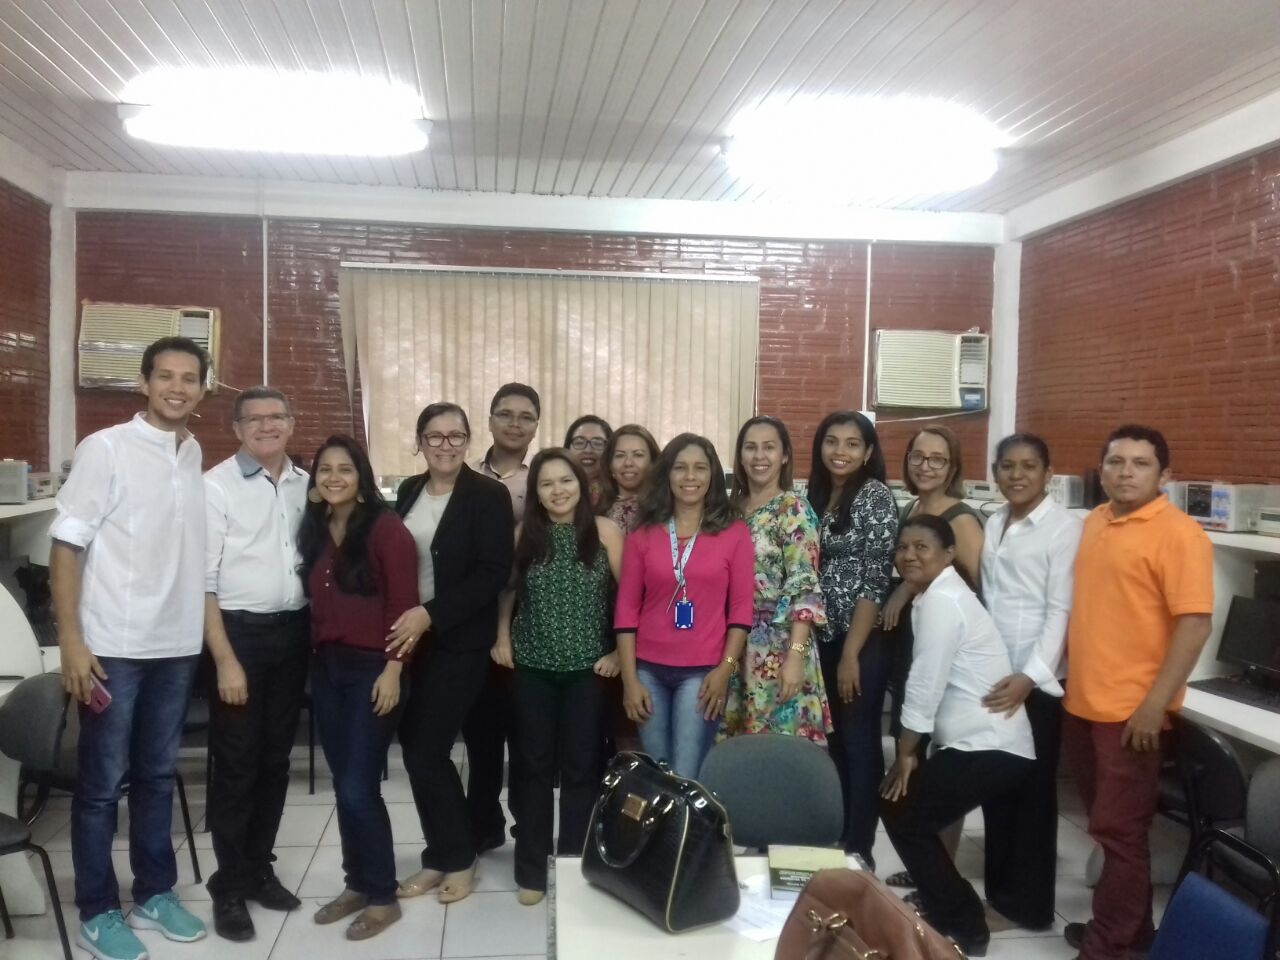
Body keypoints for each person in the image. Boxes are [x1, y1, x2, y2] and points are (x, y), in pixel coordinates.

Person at [51, 336, 211, 960]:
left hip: (176, 645)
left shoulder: (191, 451)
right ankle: (97, 911)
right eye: (165, 376)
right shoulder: (106, 447)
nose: (177, 387)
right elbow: (67, 545)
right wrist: (71, 639)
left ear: (202, 389)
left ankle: (153, 893)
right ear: (144, 383)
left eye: (189, 378)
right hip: (112, 647)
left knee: (155, 777)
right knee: (100, 786)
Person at [1061, 425, 1212, 960]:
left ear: (1164, 474)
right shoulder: (1095, 521)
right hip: (1082, 702)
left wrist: (1155, 706)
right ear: (1101, 470)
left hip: (1132, 713)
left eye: (1141, 463)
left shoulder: (1180, 534)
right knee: (1106, 830)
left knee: (1120, 835)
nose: (1126, 472)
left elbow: (1194, 624)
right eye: (1116, 462)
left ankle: (1108, 947)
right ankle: (1134, 934)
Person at [879, 515, 1035, 958]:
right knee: (903, 811)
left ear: (948, 554)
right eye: (903, 547)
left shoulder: (944, 601)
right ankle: (952, 910)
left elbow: (925, 684)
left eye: (921, 547)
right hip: (981, 743)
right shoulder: (936, 596)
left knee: (901, 811)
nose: (909, 555)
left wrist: (906, 753)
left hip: (991, 745)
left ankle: (964, 923)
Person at [391, 403, 514, 905]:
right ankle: (441, 850)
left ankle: (457, 856)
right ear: (419, 441)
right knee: (415, 748)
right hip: (411, 643)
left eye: (455, 436)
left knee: (426, 750)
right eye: (435, 436)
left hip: (461, 642)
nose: (446, 445)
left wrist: (431, 614)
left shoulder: (488, 494)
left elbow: (493, 572)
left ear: (468, 440)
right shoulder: (408, 490)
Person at [297, 435, 420, 941]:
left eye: (344, 469)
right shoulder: (317, 527)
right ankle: (357, 883)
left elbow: (404, 606)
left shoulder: (387, 529)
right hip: (328, 669)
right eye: (325, 469)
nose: (334, 477)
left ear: (361, 477)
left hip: (374, 668)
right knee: (343, 782)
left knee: (357, 786)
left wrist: (393, 670)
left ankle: (383, 896)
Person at [491, 449, 624, 905]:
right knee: (531, 768)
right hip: (532, 667)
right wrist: (502, 636)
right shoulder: (523, 534)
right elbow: (507, 592)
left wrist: (619, 652)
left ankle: (572, 866)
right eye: (546, 484)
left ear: (582, 486)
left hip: (589, 669)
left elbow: (631, 598)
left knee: (582, 770)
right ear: (536, 493)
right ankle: (531, 871)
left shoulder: (605, 532)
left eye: (565, 480)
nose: (557, 490)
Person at [202, 386, 311, 941]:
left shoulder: (306, 484)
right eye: (255, 419)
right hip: (238, 637)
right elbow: (203, 582)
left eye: (277, 417)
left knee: (274, 762)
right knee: (237, 765)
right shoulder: (215, 486)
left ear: (291, 423)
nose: (267, 426)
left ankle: (258, 868)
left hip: (293, 635)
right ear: (237, 428)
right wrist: (225, 660)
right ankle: (228, 885)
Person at [978, 434, 1082, 932]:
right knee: (997, 788)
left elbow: (1060, 610)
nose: (1016, 475)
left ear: (1048, 473)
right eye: (1007, 466)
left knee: (1032, 798)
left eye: (1028, 466)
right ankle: (1000, 896)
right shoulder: (994, 521)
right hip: (995, 677)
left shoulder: (1064, 529)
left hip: (1036, 683)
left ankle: (1030, 908)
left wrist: (1030, 676)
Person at [880, 424, 984, 888]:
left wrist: (905, 591)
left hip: (948, 651)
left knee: (938, 762)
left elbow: (976, 587)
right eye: (918, 457)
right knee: (917, 755)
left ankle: (941, 876)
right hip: (915, 644)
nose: (926, 466)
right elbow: (918, 568)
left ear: (953, 465)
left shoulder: (961, 518)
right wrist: (905, 589)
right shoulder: (913, 508)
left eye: (937, 459)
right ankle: (926, 865)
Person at [615, 434, 754, 779]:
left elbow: (741, 609)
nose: (690, 477)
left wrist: (725, 670)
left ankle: (687, 820)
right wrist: (629, 680)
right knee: (659, 774)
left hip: (703, 673)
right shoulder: (643, 533)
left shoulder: (734, 533)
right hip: (648, 672)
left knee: (686, 774)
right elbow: (626, 609)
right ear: (667, 474)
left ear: (712, 475)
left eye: (700, 468)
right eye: (680, 468)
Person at [807, 411, 898, 867]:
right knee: (838, 741)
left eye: (852, 443)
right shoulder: (819, 494)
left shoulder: (874, 496)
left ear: (867, 452)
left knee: (860, 742)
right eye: (832, 441)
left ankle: (861, 847)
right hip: (825, 635)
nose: (840, 451)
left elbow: (875, 580)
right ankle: (842, 835)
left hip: (859, 641)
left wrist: (850, 654)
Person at [462, 383, 541, 857]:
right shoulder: (465, 474)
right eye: (506, 414)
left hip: (531, 622)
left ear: (536, 426)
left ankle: (528, 831)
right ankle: (484, 824)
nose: (515, 424)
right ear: (489, 420)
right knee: (481, 733)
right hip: (472, 622)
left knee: (527, 735)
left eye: (525, 416)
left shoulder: (546, 479)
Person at [721, 416, 830, 742]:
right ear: (740, 456)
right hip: (733, 644)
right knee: (736, 752)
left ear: (784, 456)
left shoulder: (793, 508)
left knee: (779, 750)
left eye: (769, 448)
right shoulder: (728, 511)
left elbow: (804, 586)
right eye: (750, 448)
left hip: (779, 648)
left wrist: (795, 656)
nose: (759, 456)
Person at [599, 423, 661, 531]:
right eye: (620, 455)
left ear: (653, 463)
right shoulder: (596, 511)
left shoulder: (665, 511)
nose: (628, 463)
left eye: (638, 455)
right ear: (609, 465)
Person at [564, 414, 613, 508]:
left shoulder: (621, 492)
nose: (588, 450)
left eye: (597, 443)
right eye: (579, 442)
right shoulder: (556, 489)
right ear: (567, 448)